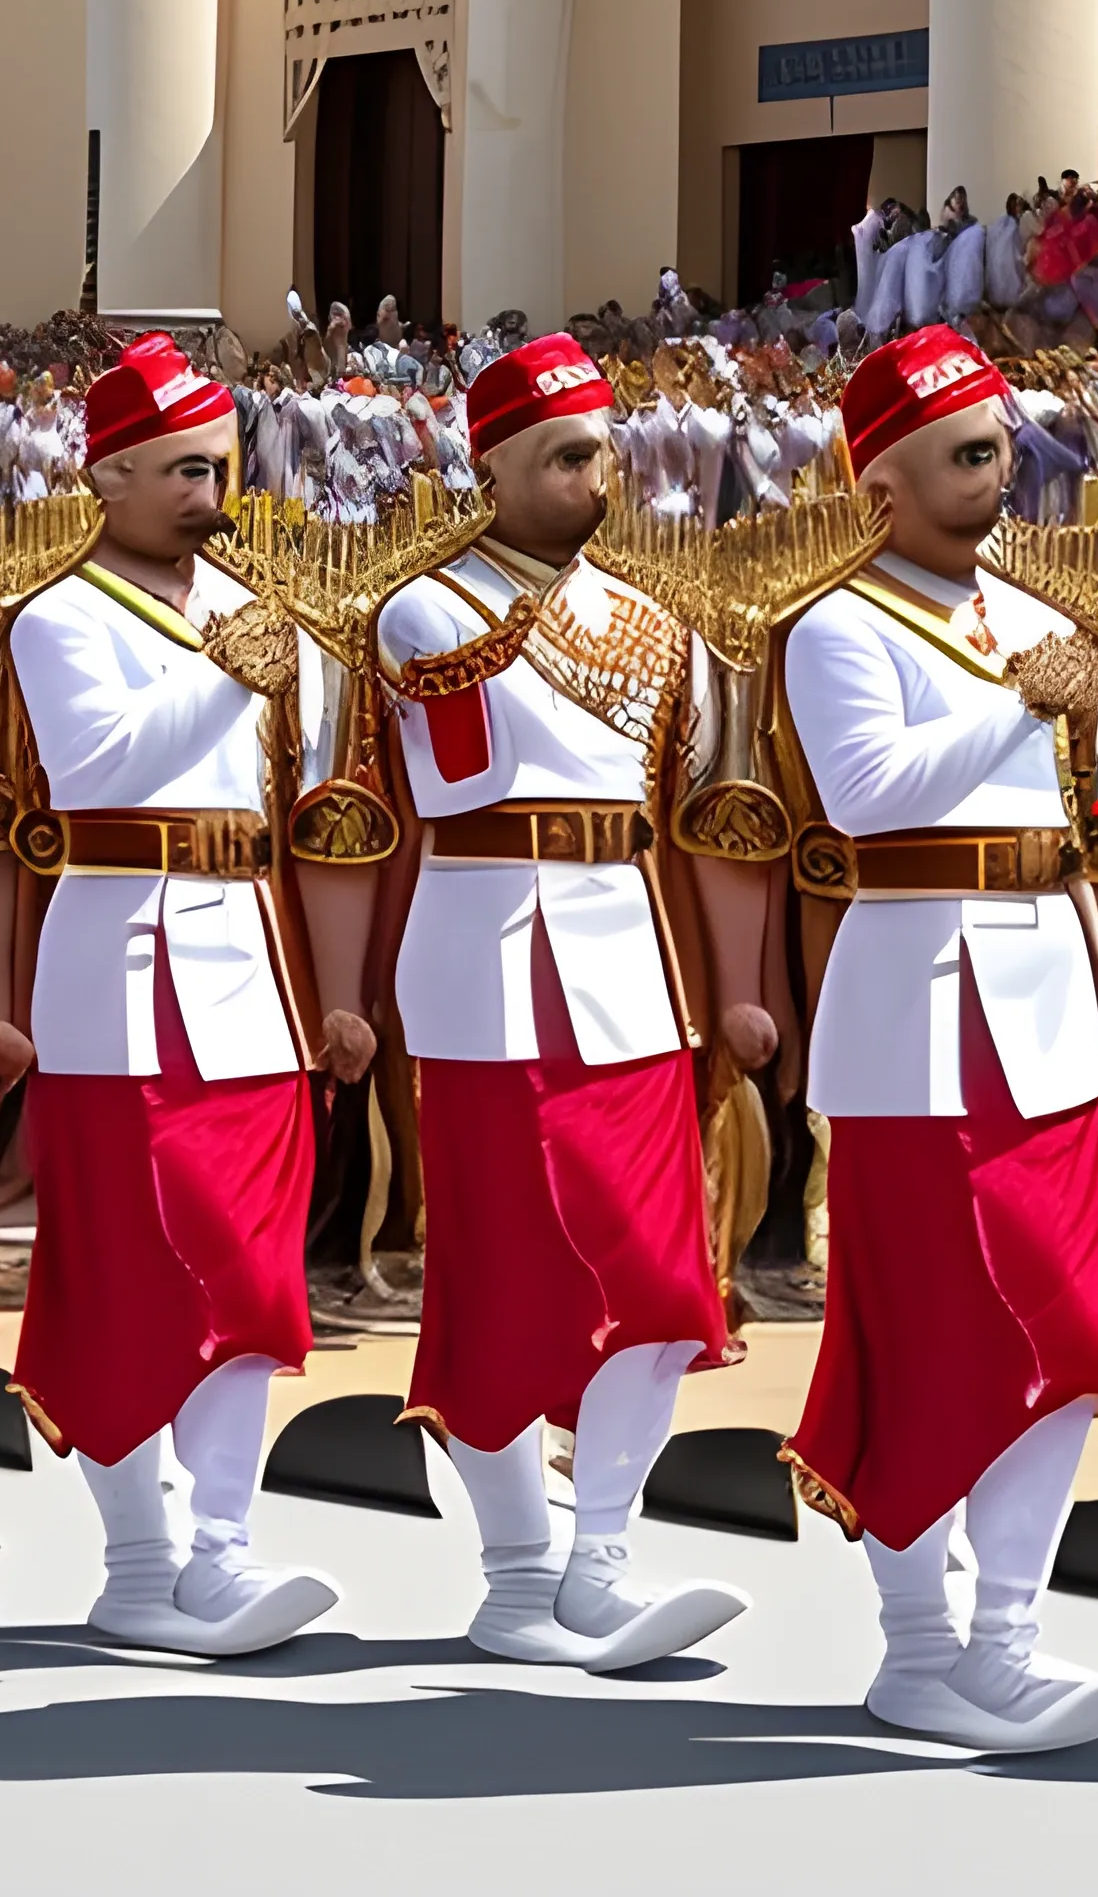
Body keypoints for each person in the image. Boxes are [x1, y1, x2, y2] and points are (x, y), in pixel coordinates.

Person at [781, 325, 1098, 1753]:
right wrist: (1020, 702)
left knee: (1066, 1330)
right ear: (883, 485)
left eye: (1001, 448)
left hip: (1048, 998)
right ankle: (920, 1648)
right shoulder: (838, 625)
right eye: (968, 454)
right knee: (936, 1334)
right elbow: (870, 798)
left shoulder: (1031, 618)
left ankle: (1007, 1637)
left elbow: (1070, 829)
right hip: (918, 1006)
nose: (1001, 476)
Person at [373, 332, 754, 1671]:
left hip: (628, 972)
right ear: (493, 469)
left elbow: (694, 805)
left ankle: (597, 1558)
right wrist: (559, 621)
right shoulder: (425, 611)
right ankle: (518, 1573)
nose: (599, 478)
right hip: (491, 968)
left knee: (659, 1281)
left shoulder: (659, 625)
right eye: (568, 456)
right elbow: (468, 773)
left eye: (604, 452)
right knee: (502, 1284)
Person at [0, 333, 351, 1652]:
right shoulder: (59, 617)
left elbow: (303, 794)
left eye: (222, 467)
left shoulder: (262, 620)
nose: (210, 492)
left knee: (251, 1272)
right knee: (130, 1270)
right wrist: (227, 674)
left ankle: (220, 1550)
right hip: (120, 963)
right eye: (182, 470)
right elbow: (95, 771)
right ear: (110, 477)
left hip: (247, 962)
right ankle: (141, 1562)